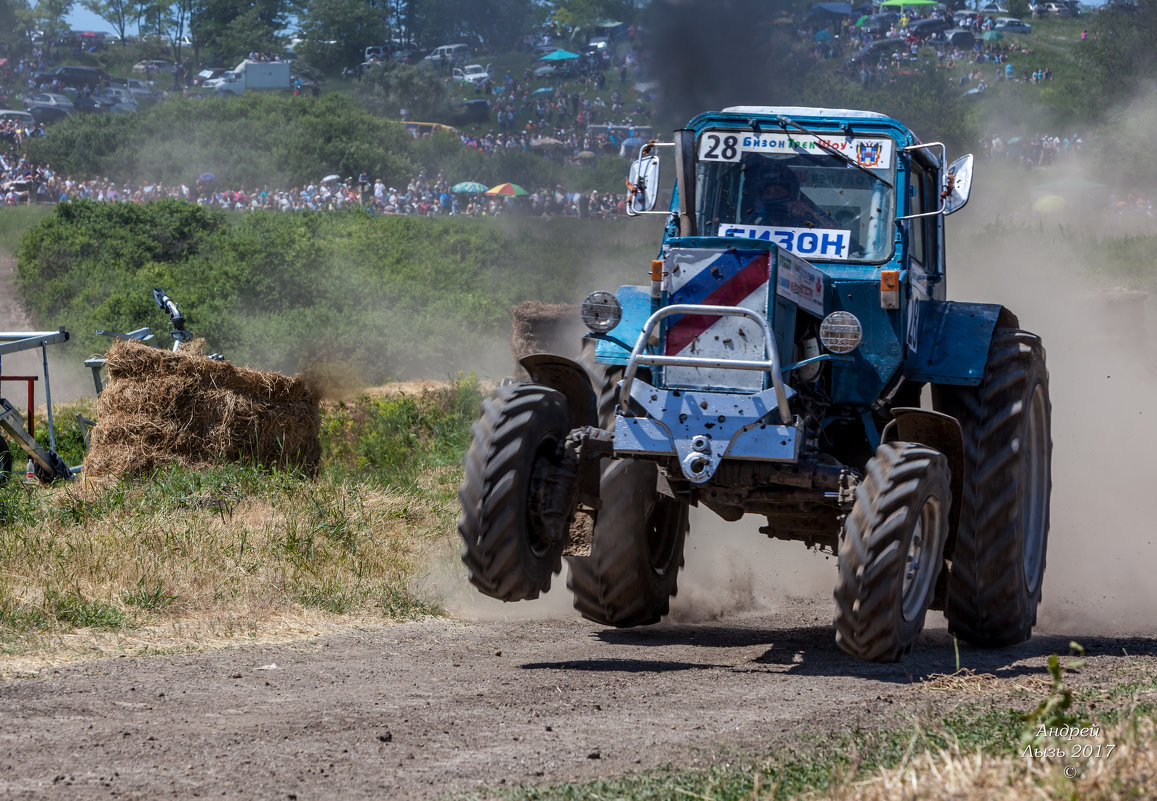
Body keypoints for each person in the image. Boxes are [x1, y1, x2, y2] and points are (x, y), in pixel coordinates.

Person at [741, 159, 840, 229]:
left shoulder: (806, 218)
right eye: (767, 192)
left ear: (792, 196)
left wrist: (810, 213)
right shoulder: (754, 222)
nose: (772, 197)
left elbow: (842, 241)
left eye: (778, 192)